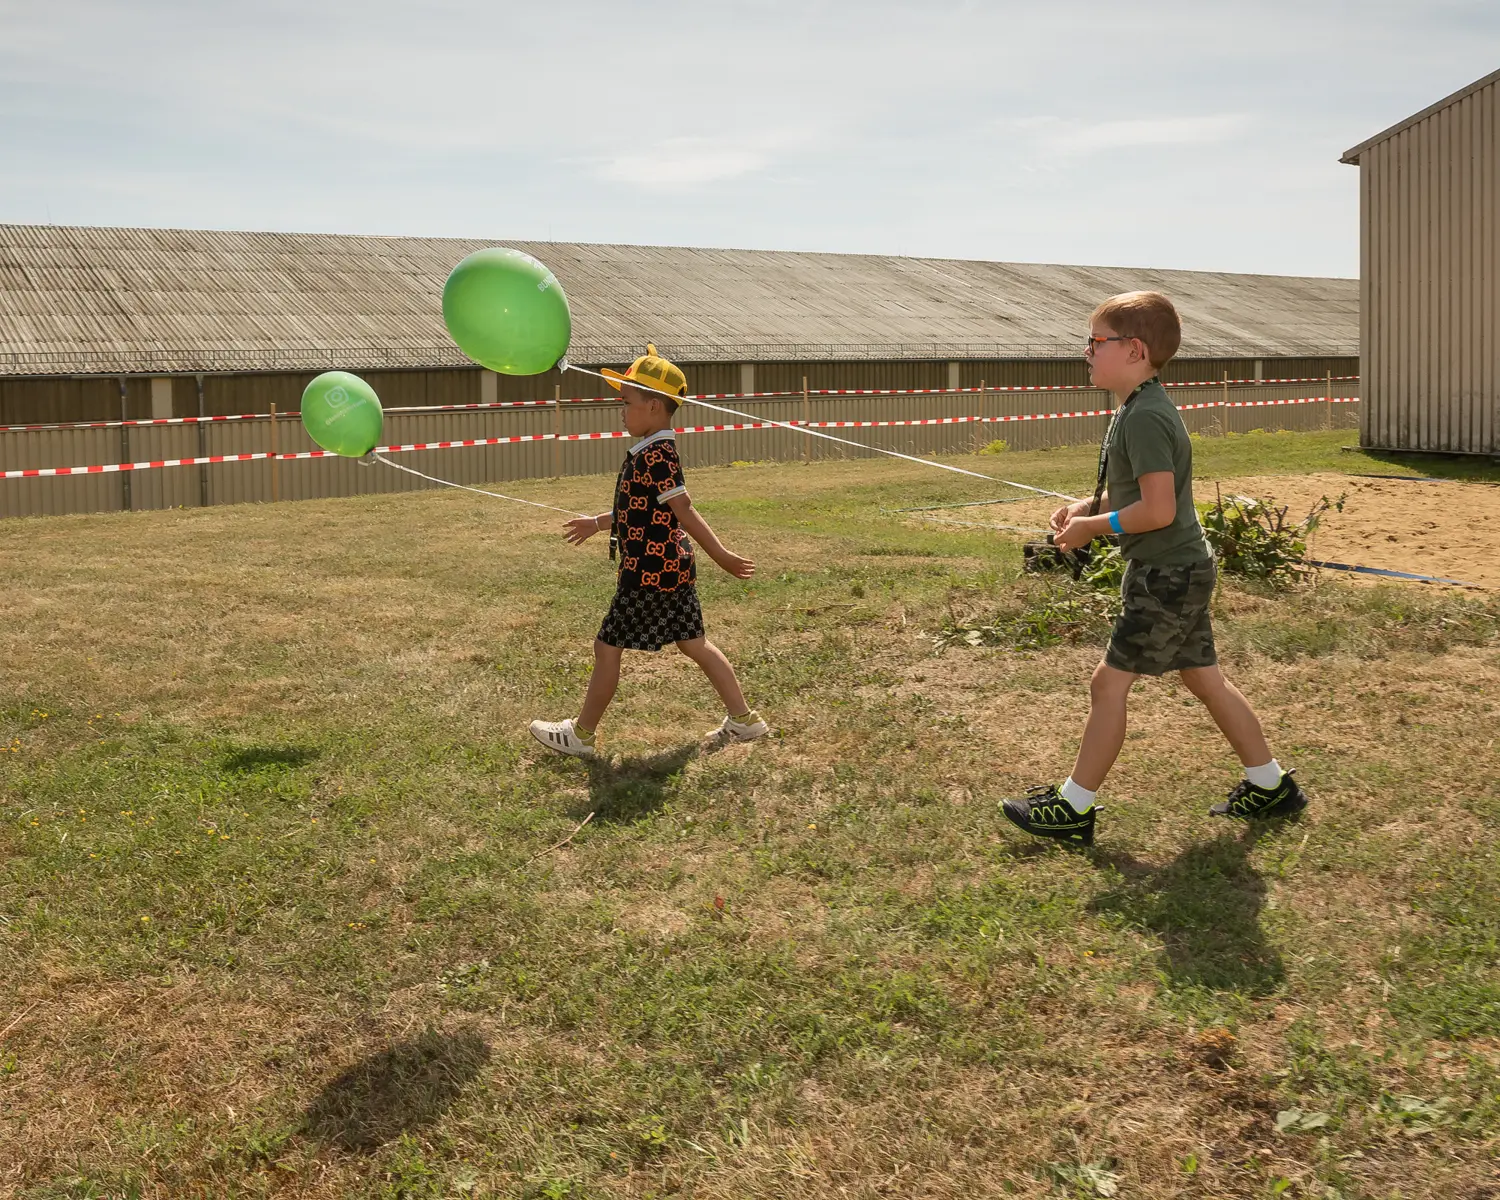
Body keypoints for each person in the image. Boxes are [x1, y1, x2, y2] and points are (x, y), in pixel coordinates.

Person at [1001, 292, 1306, 847]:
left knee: (1107, 684)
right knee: (1204, 678)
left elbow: (1159, 511)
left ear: (1134, 350)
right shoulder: (1139, 407)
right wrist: (1086, 507)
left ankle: (1073, 806)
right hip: (1180, 567)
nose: (1086, 351)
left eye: (1096, 341)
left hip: (1167, 574)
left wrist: (1093, 528)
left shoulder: (1143, 417)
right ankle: (1271, 785)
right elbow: (1140, 496)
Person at [529, 345, 768, 760]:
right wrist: (598, 523)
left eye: (627, 402)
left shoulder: (657, 455)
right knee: (694, 644)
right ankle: (744, 720)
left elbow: (683, 509)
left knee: (607, 647)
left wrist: (723, 555)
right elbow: (638, 509)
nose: (621, 412)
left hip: (649, 571)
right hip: (671, 566)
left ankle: (581, 735)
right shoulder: (650, 451)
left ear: (654, 406)